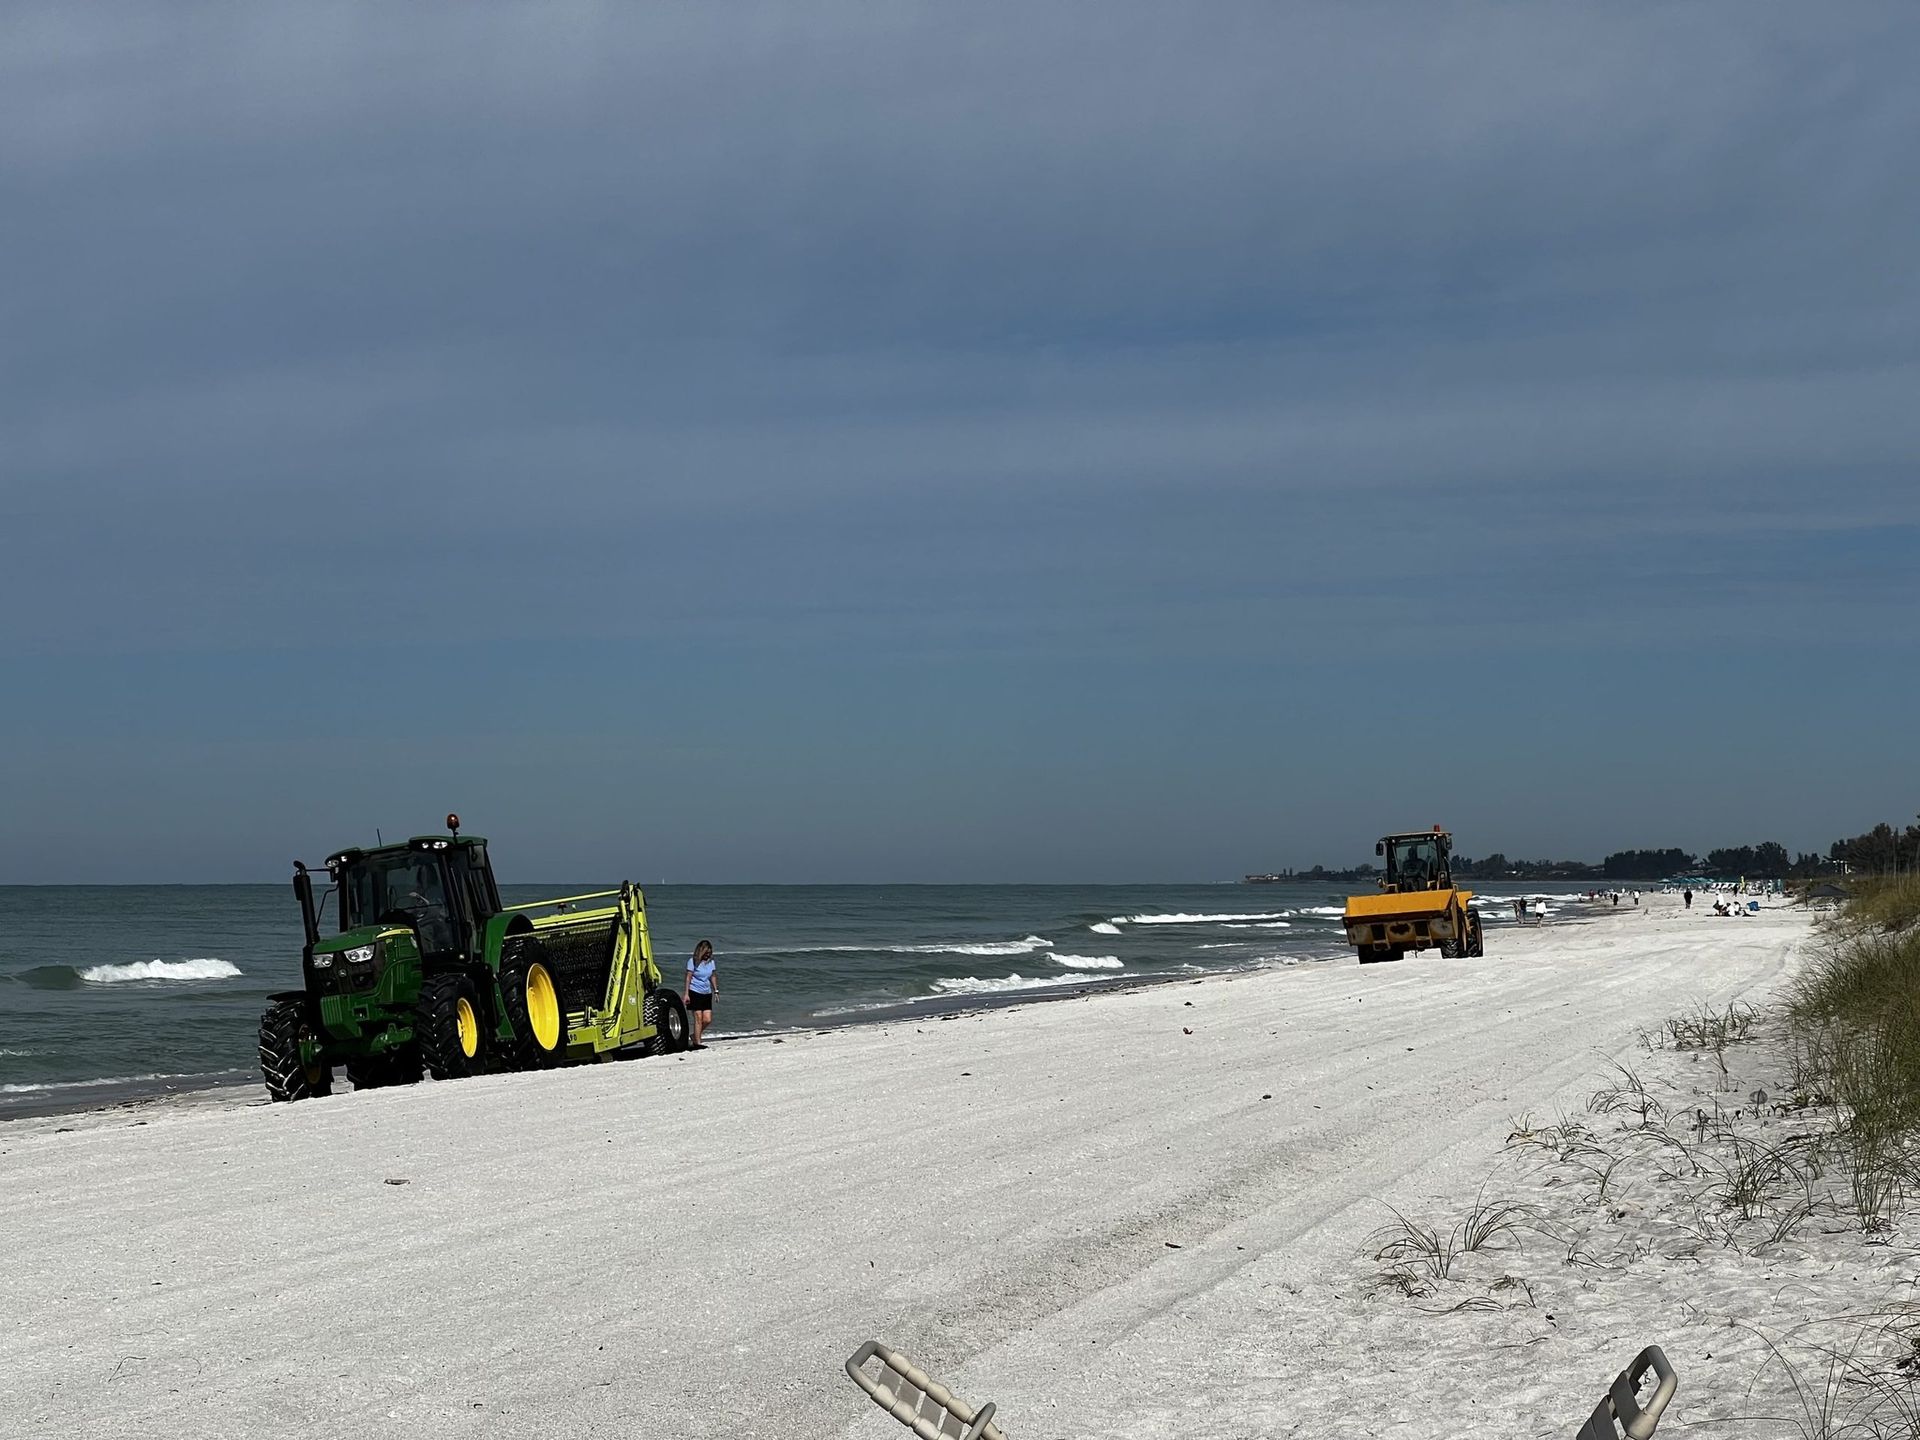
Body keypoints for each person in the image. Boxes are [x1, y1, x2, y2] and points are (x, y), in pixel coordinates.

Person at [684, 939, 717, 1048]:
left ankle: (694, 1036)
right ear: (701, 951)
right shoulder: (692, 961)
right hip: (694, 992)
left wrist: (716, 990)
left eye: (709, 953)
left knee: (707, 1019)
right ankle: (697, 1043)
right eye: (706, 953)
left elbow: (712, 976)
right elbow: (688, 977)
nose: (708, 955)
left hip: (706, 993)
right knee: (698, 1018)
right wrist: (686, 993)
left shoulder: (711, 962)